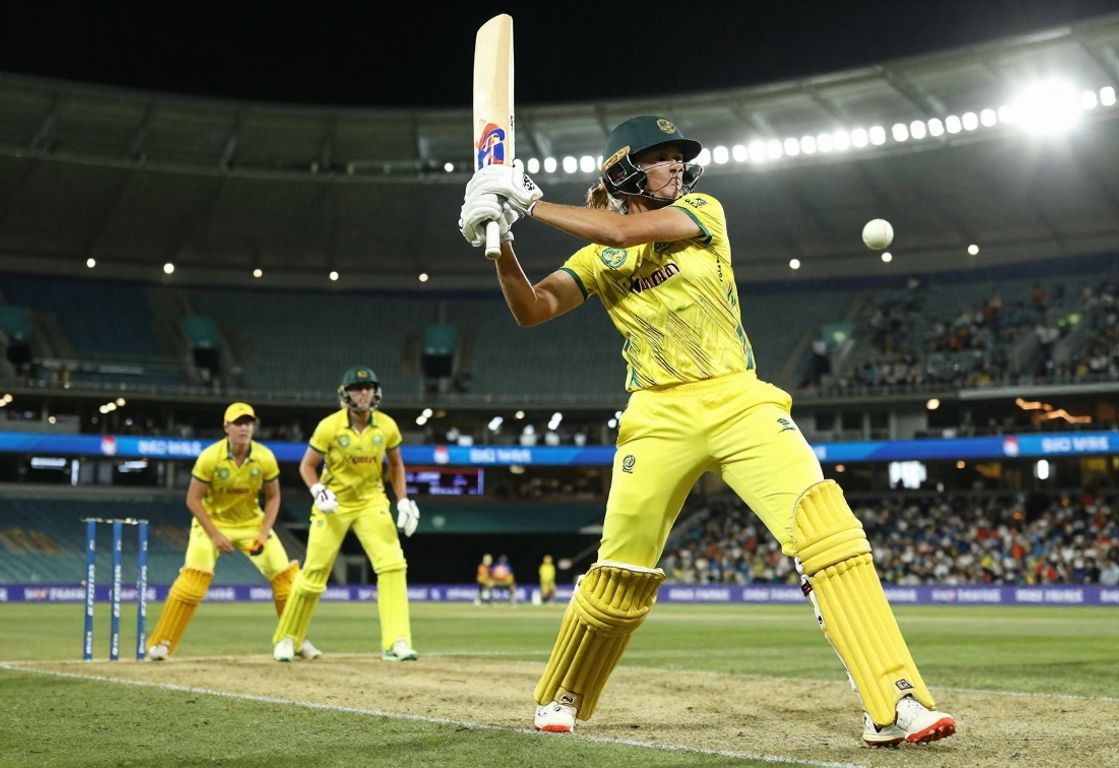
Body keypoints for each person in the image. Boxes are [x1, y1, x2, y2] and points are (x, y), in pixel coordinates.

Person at [458, 115, 954, 746]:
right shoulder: (595, 259)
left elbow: (621, 228)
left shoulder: (702, 211)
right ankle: (565, 693)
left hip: (739, 400)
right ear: (623, 170)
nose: (676, 166)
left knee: (828, 531)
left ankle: (895, 701)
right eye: (661, 157)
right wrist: (501, 241)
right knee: (621, 568)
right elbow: (533, 309)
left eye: (678, 156)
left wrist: (529, 202)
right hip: (656, 417)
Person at [147, 402, 320, 661]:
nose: (244, 428)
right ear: (226, 427)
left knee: (287, 580)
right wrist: (215, 535)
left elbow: (273, 498)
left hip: (252, 525)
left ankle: (297, 640)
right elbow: (193, 499)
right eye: (238, 423)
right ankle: (162, 643)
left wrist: (263, 532)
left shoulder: (264, 457)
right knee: (192, 582)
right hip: (211, 525)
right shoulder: (210, 457)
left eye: (248, 423)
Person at [271, 367, 422, 662]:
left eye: (368, 387)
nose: (363, 393)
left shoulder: (387, 426)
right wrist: (318, 490)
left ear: (375, 392)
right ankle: (288, 638)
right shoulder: (329, 426)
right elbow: (306, 466)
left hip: (371, 501)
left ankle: (397, 641)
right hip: (333, 503)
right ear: (345, 394)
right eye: (356, 388)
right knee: (314, 572)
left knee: (393, 565)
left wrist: (403, 500)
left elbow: (396, 465)